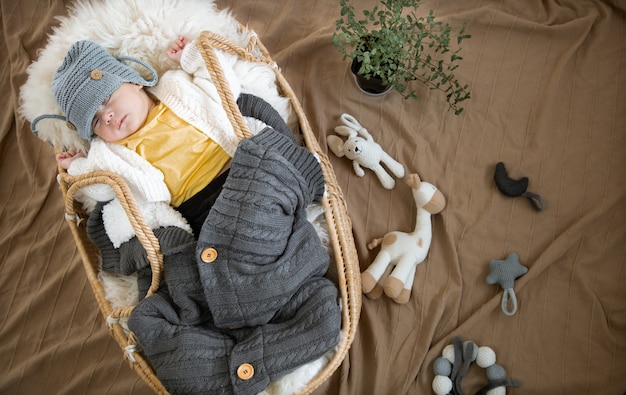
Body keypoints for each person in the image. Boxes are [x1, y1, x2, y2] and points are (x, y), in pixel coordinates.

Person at [33, 38, 341, 394]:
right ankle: (246, 344)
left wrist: (192, 57)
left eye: (107, 100)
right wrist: (79, 170)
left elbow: (223, 83)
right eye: (97, 121)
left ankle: (244, 321)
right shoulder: (110, 153)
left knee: (312, 306)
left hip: (246, 178)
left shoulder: (178, 89)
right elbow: (108, 189)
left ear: (133, 80)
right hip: (200, 218)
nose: (110, 117)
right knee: (152, 321)